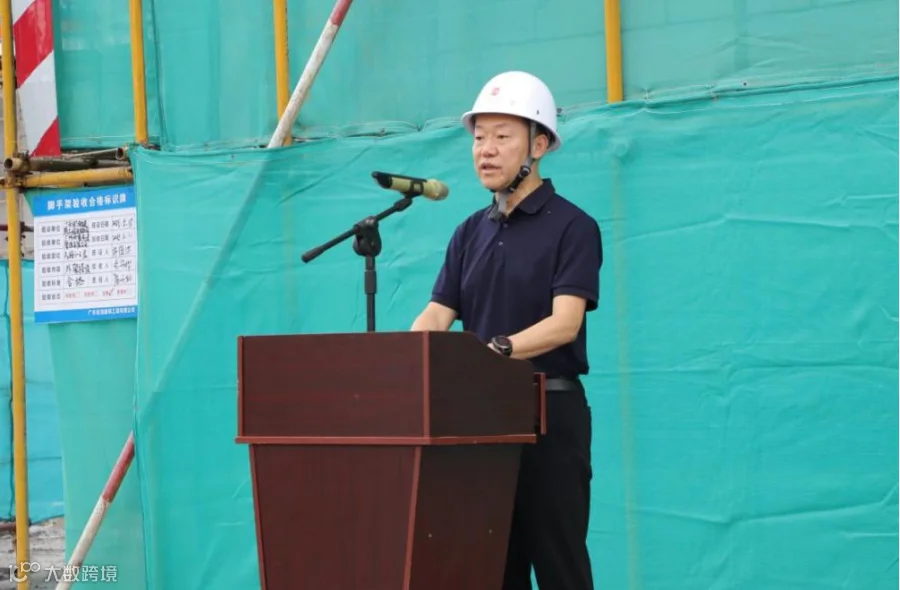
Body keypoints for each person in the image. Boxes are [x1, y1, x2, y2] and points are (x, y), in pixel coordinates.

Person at [410, 70, 602, 590]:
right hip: (481, 418)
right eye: (479, 138)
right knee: (492, 566)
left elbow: (565, 323)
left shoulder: (573, 226)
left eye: (501, 136)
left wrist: (496, 351)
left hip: (548, 414)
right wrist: (405, 359)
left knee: (560, 565)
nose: (486, 151)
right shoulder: (468, 232)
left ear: (538, 145)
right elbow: (437, 314)